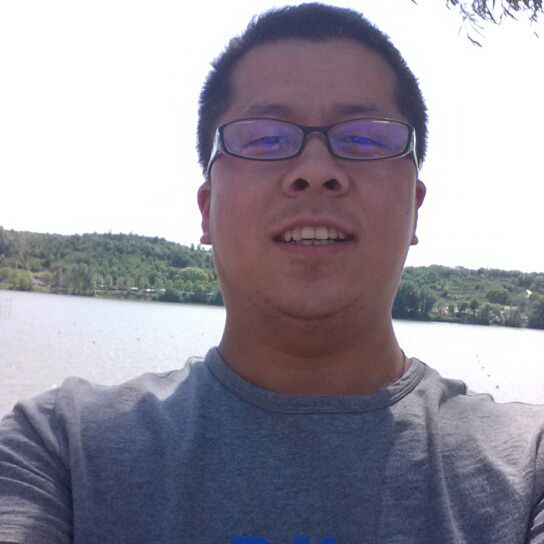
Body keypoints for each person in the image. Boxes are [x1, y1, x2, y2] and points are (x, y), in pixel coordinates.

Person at [1, 3, 543, 543]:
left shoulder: (527, 467)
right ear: (207, 210)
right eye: (264, 138)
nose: (316, 171)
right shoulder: (60, 448)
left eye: (363, 138)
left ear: (415, 210)